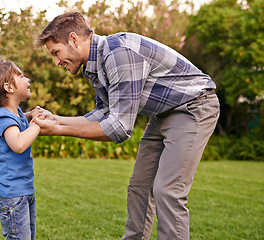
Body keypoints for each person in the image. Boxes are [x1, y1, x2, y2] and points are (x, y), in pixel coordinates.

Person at [34, 12, 220, 240]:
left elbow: (119, 128)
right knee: (139, 186)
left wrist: (60, 130)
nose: (56, 61)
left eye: (56, 52)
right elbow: (103, 114)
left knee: (168, 191)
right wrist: (55, 120)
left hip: (193, 106)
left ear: (74, 39)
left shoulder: (119, 53)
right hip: (162, 114)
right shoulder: (95, 64)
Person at [0, 58, 44, 240]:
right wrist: (37, 124)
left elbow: (20, 123)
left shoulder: (16, 114)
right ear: (9, 87)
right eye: (21, 76)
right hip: (12, 193)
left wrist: (31, 116)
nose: (27, 80)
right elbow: (19, 144)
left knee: (27, 236)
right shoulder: (2, 118)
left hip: (23, 189)